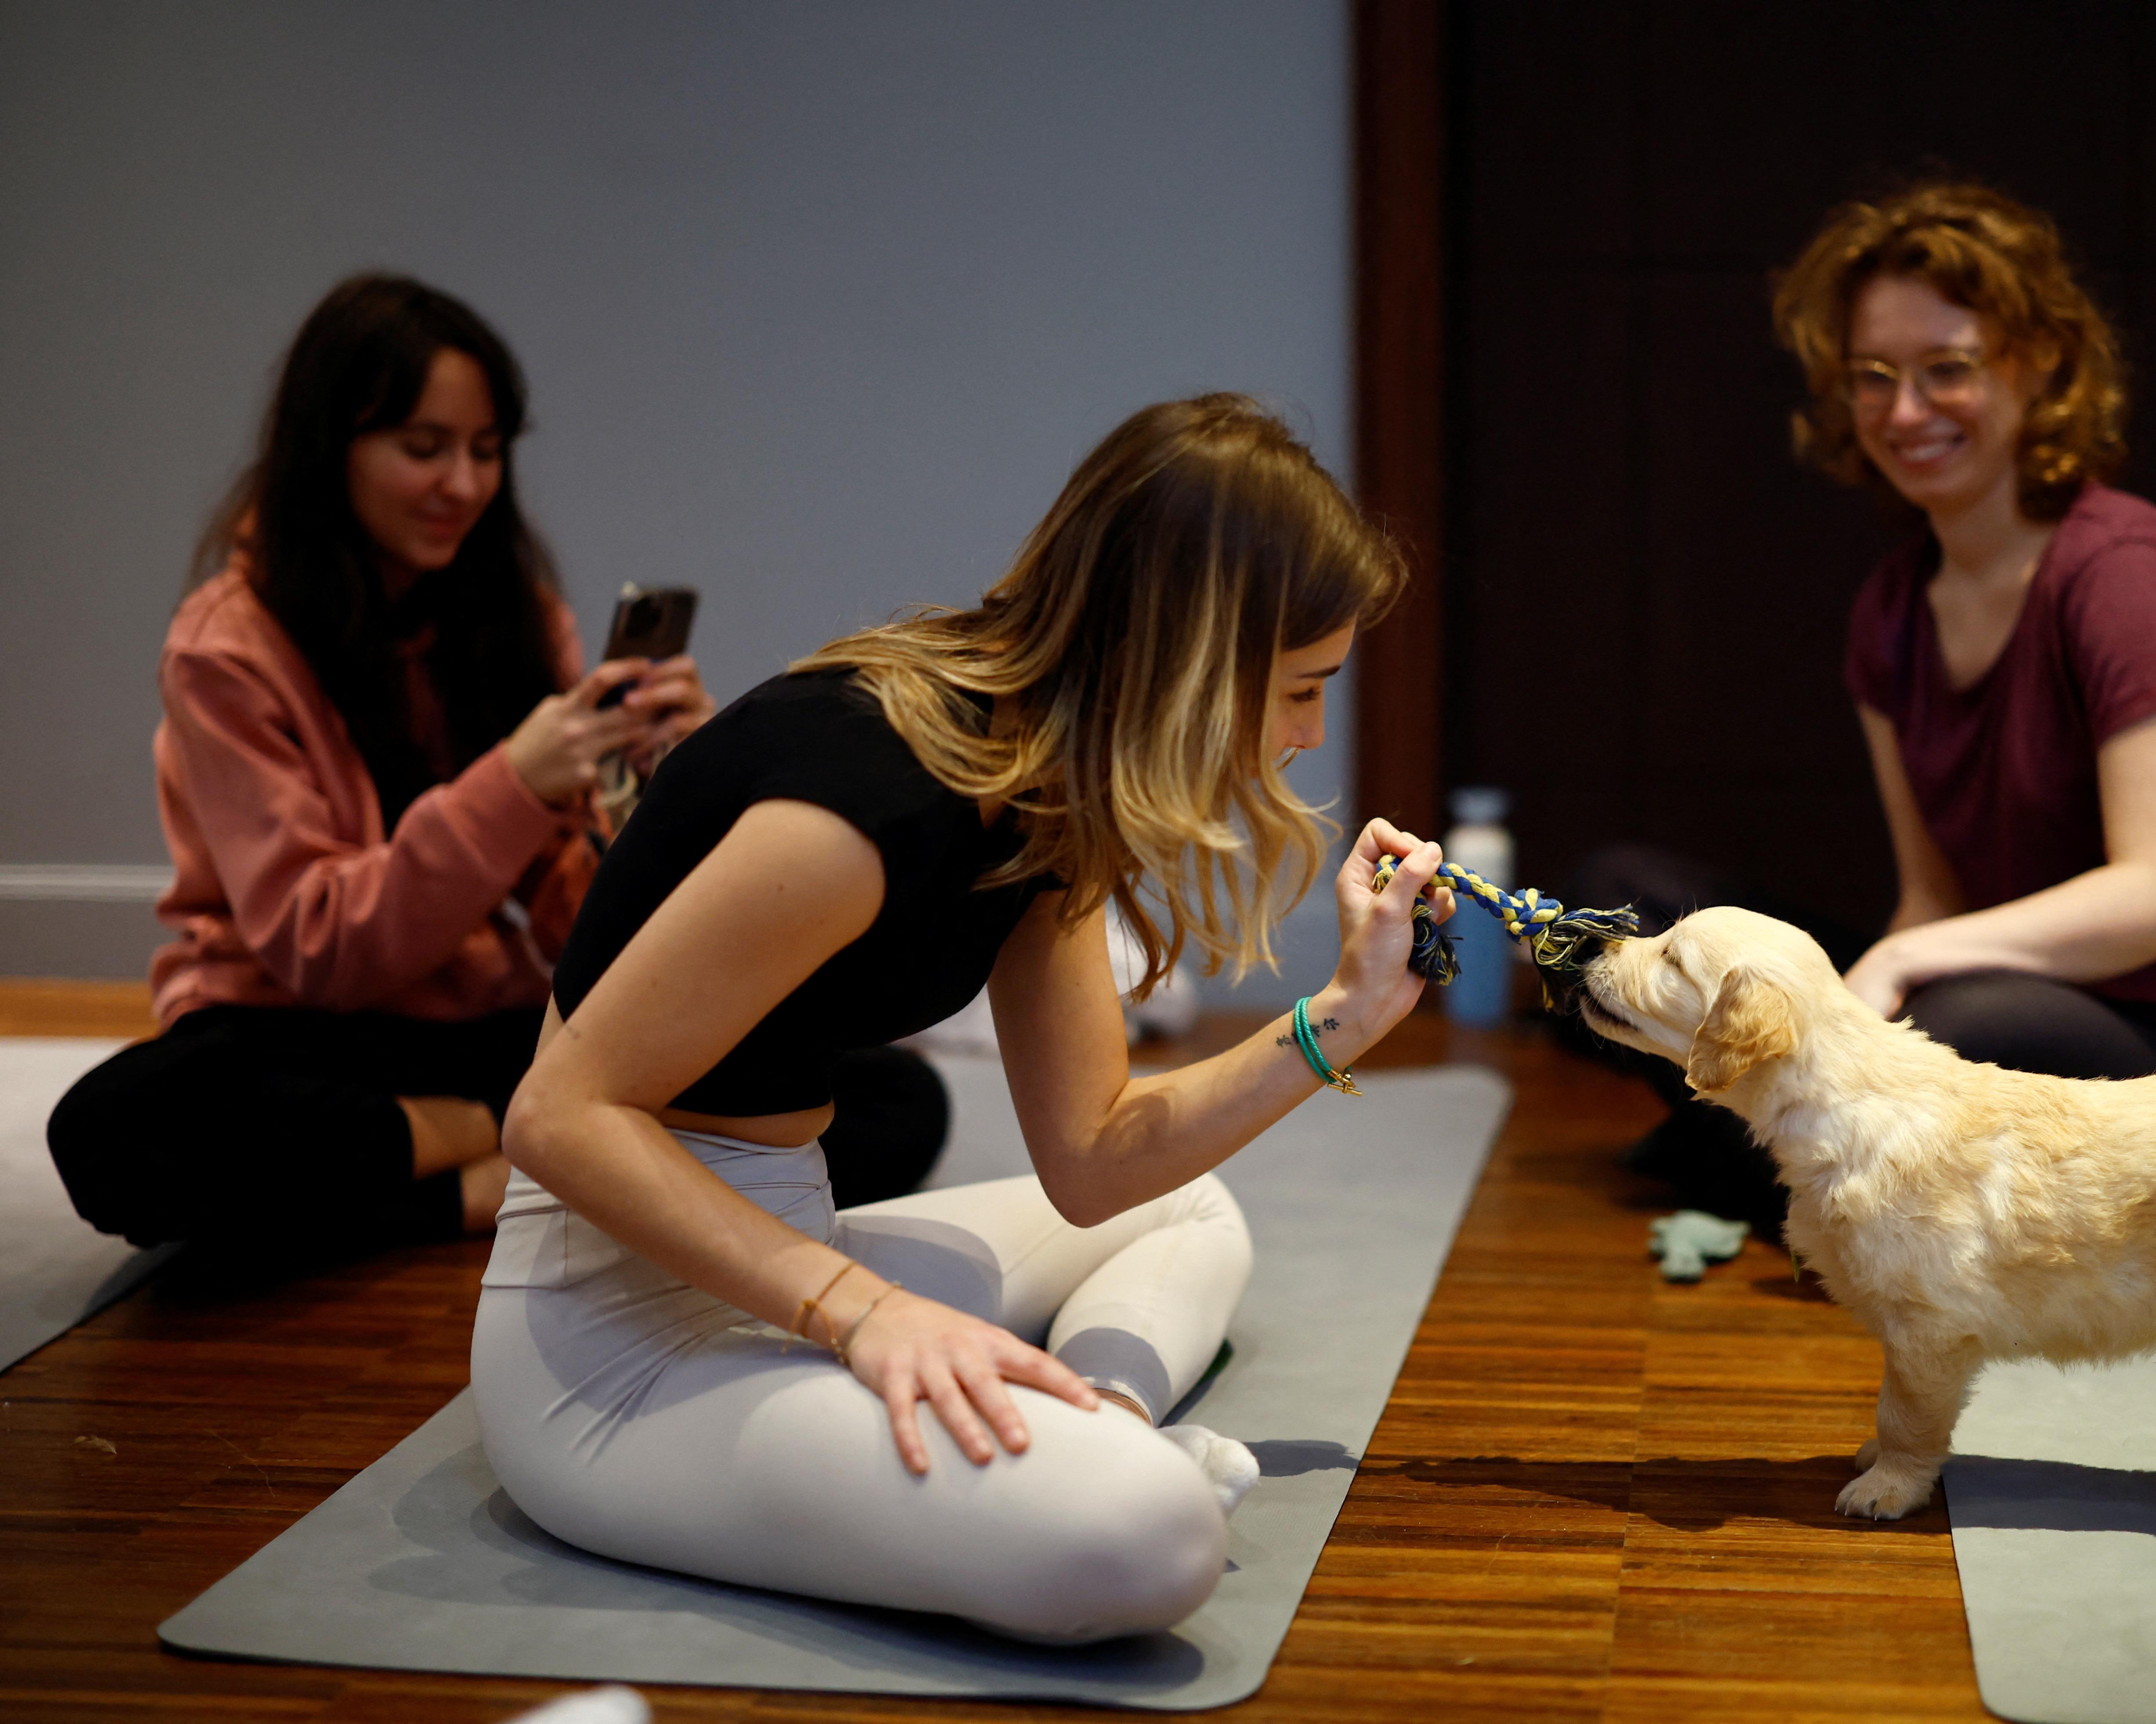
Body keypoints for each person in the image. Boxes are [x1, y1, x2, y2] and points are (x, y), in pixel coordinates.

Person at [471, 395, 1449, 1644]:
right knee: (1152, 1537)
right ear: (1188, 658)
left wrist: (1339, 1022)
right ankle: (1081, 1457)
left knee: (1187, 1208)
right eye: (1299, 690)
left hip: (771, 1252)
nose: (1310, 737)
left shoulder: (1038, 778)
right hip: (606, 1348)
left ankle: (1073, 1419)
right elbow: (553, 1118)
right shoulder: (866, 803)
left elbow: (1096, 1161)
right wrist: (860, 1312)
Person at [1592, 183, 2156, 1227]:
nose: (1904, 412)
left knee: (1949, 1014)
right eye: (1874, 378)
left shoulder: (2128, 573)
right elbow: (1931, 898)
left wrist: (1894, 973)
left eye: (1948, 370)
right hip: (2007, 1003)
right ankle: (1785, 1163)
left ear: (2037, 366)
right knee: (1616, 909)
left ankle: (1752, 1160)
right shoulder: (1891, 608)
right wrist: (1873, 993)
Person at [47, 275, 715, 1280]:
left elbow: (588, 947)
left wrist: (654, 792)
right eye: (423, 447)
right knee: (118, 1131)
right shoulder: (226, 647)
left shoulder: (517, 620)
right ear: (332, 448)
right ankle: (505, 1167)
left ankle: (469, 1162)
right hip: (298, 1035)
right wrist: (514, 784)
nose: (463, 483)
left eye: (486, 452)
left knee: (877, 1094)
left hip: (479, 1024)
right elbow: (323, 950)